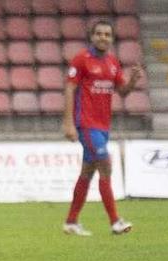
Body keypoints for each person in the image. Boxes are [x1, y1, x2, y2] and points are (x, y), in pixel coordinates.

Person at [61, 20, 142, 237]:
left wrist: (133, 81)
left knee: (87, 172)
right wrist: (68, 123)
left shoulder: (112, 62)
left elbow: (122, 91)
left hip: (103, 125)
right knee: (105, 165)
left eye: (107, 34)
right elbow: (70, 88)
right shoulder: (82, 59)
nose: (103, 38)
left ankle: (71, 222)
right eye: (99, 34)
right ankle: (115, 221)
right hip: (86, 124)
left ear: (112, 38)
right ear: (92, 36)